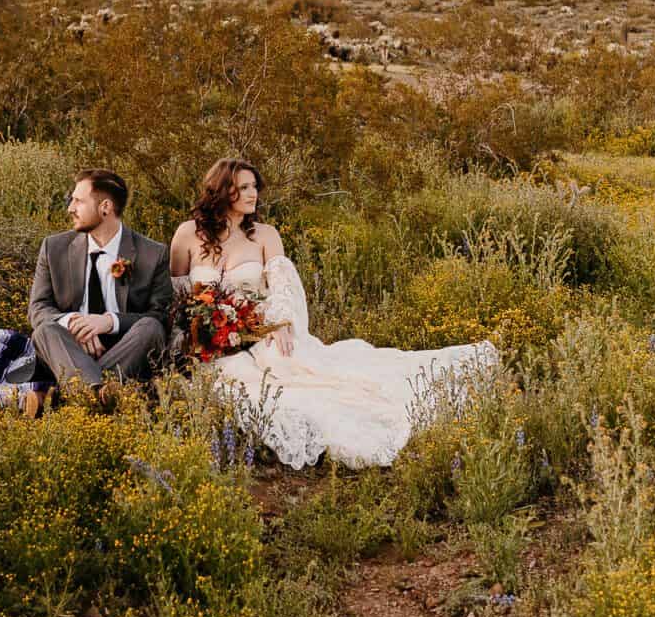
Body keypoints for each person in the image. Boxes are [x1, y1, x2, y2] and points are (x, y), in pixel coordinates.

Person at [169, 158, 494, 468]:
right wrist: (196, 334)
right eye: (244, 187)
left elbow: (282, 290)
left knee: (296, 368)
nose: (254, 194)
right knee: (244, 391)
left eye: (255, 186)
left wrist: (278, 323)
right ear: (222, 190)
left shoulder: (265, 235)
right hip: (210, 344)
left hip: (259, 332)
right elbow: (177, 295)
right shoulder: (187, 234)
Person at [27, 168, 173, 408]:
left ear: (105, 207)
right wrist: (75, 323)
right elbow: (38, 307)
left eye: (78, 201)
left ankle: (73, 398)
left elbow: (160, 315)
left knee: (151, 328)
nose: (70, 208)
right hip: (70, 349)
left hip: (124, 350)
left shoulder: (152, 253)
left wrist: (109, 322)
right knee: (45, 330)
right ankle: (102, 396)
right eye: (71, 200)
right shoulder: (54, 248)